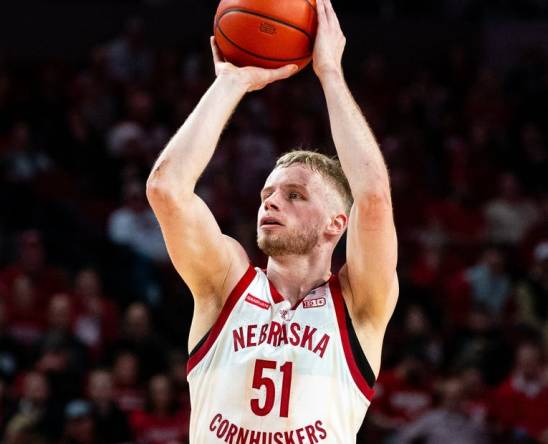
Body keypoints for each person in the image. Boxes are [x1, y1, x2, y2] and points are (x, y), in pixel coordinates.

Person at [145, 0, 398, 441]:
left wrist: (331, 75)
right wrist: (231, 82)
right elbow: (166, 189)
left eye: (294, 195)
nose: (272, 202)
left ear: (336, 224)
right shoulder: (225, 285)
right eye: (267, 194)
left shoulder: (360, 304)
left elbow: (373, 196)